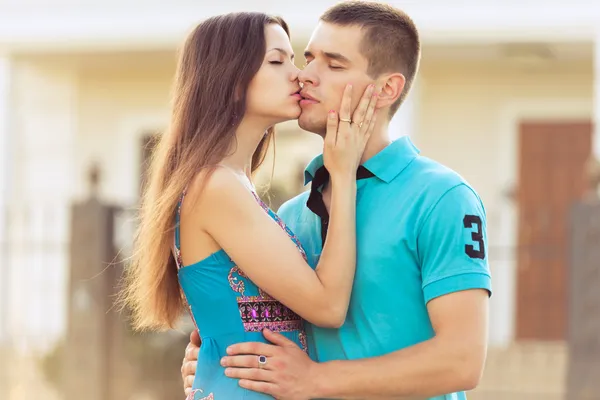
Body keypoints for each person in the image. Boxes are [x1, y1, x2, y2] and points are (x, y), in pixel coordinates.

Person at [181, 2, 492, 400]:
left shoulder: (442, 198)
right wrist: (213, 360)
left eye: (334, 64)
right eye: (308, 58)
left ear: (387, 89)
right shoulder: (289, 215)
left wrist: (316, 380)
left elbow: (462, 361)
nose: (306, 76)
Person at [118, 11, 379, 400]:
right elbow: (327, 307)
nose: (298, 75)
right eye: (277, 61)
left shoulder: (230, 183)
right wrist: (341, 175)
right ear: (231, 79)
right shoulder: (215, 186)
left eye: (293, 60)